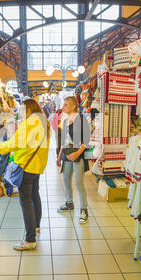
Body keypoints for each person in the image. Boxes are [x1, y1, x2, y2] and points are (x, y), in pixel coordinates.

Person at [0, 99, 50, 251]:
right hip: (37, 165)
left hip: (26, 165)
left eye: (24, 109)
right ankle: (36, 226)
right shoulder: (43, 121)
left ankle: (30, 239)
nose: (21, 113)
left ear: (30, 109)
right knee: (34, 196)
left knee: (26, 202)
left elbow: (14, 144)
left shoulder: (29, 123)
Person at [57, 96, 91, 224]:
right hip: (66, 153)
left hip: (78, 155)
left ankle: (84, 210)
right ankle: (69, 203)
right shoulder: (65, 121)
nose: (63, 107)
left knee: (78, 182)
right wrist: (59, 155)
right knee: (66, 179)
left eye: (65, 105)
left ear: (73, 106)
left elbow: (86, 140)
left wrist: (77, 154)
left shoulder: (82, 119)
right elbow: (64, 140)